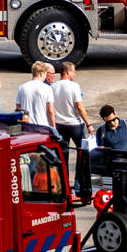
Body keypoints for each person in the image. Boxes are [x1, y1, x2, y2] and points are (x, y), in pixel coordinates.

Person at [50, 62, 92, 197]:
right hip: (75, 124)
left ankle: (65, 186)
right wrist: (88, 123)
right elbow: (79, 106)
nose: (74, 74)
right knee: (82, 154)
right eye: (73, 71)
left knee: (63, 156)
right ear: (67, 72)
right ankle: (80, 186)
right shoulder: (74, 86)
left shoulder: (53, 87)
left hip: (60, 124)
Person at [16, 61, 55, 127]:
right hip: (42, 125)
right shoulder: (47, 88)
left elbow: (18, 108)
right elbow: (50, 111)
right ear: (41, 74)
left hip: (26, 125)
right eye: (45, 74)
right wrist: (54, 127)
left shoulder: (22, 87)